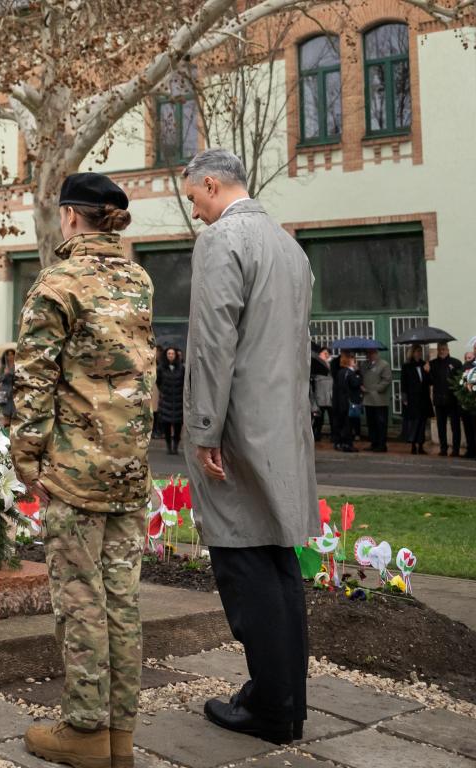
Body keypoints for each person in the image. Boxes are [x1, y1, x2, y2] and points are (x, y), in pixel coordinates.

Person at [13, 172, 155, 768]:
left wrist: (26, 455)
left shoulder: (58, 283)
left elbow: (35, 380)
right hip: (129, 469)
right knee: (123, 599)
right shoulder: (140, 280)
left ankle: (86, 729)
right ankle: (121, 736)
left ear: (71, 217)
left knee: (80, 599)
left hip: (75, 472)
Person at [179, 149, 320, 746]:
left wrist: (204, 428)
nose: (195, 212)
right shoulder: (289, 246)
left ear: (211, 185)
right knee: (279, 564)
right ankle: (283, 700)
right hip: (281, 427)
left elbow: (214, 341)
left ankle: (269, 706)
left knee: (243, 565)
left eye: (193, 199)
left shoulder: (221, 241)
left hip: (236, 431)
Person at [428, 343, 461, 456]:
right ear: (437, 350)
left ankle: (455, 449)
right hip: (439, 399)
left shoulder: (456, 363)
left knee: (455, 426)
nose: (442, 351)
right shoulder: (432, 364)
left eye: (444, 349)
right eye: (440, 349)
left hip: (453, 400)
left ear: (448, 349)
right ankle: (443, 448)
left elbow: (459, 381)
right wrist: (427, 372)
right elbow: (430, 382)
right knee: (441, 426)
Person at [400, 346, 431, 454]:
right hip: (412, 398)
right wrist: (404, 397)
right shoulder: (407, 366)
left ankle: (421, 445)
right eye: (417, 351)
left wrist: (427, 371)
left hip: (423, 399)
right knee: (414, 422)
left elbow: (429, 382)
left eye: (420, 351)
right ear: (412, 353)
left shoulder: (424, 364)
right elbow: (403, 383)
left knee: (422, 422)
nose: (419, 353)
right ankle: (413, 444)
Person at [360, 349, 392, 452]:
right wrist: (361, 386)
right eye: (367, 353)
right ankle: (373, 443)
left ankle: (382, 444)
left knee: (381, 423)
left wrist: (375, 389)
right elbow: (361, 376)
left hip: (379, 400)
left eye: (370, 353)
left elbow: (386, 380)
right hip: (368, 399)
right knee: (371, 423)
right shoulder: (364, 365)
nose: (368, 355)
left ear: (376, 353)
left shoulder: (384, 365)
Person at [156, 347, 186, 455]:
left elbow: (184, 382)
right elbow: (158, 382)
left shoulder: (181, 368)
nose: (171, 355)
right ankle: (168, 446)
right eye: (169, 353)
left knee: (178, 425)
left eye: (172, 353)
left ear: (176, 355)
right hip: (166, 400)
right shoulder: (161, 368)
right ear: (166, 355)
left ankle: (176, 446)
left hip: (178, 400)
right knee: (166, 424)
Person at [331, 352, 361, 452]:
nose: (354, 361)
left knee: (342, 423)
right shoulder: (349, 372)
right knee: (348, 424)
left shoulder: (340, 372)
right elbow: (355, 383)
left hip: (341, 402)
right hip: (349, 401)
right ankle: (347, 444)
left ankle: (339, 442)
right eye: (352, 359)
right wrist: (358, 374)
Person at [310, 346, 333, 442]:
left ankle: (334, 435)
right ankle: (316, 434)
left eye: (327, 354)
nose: (326, 355)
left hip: (331, 396)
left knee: (333, 418)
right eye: (324, 353)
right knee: (319, 418)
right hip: (319, 397)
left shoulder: (332, 365)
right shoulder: (315, 366)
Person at [0, 349, 19, 425]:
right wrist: (5, 374)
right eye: (8, 355)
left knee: (15, 415)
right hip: (5, 394)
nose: (10, 356)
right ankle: (6, 433)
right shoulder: (4, 367)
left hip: (15, 393)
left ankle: (12, 433)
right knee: (6, 416)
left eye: (12, 354)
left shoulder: (18, 366)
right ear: (5, 356)